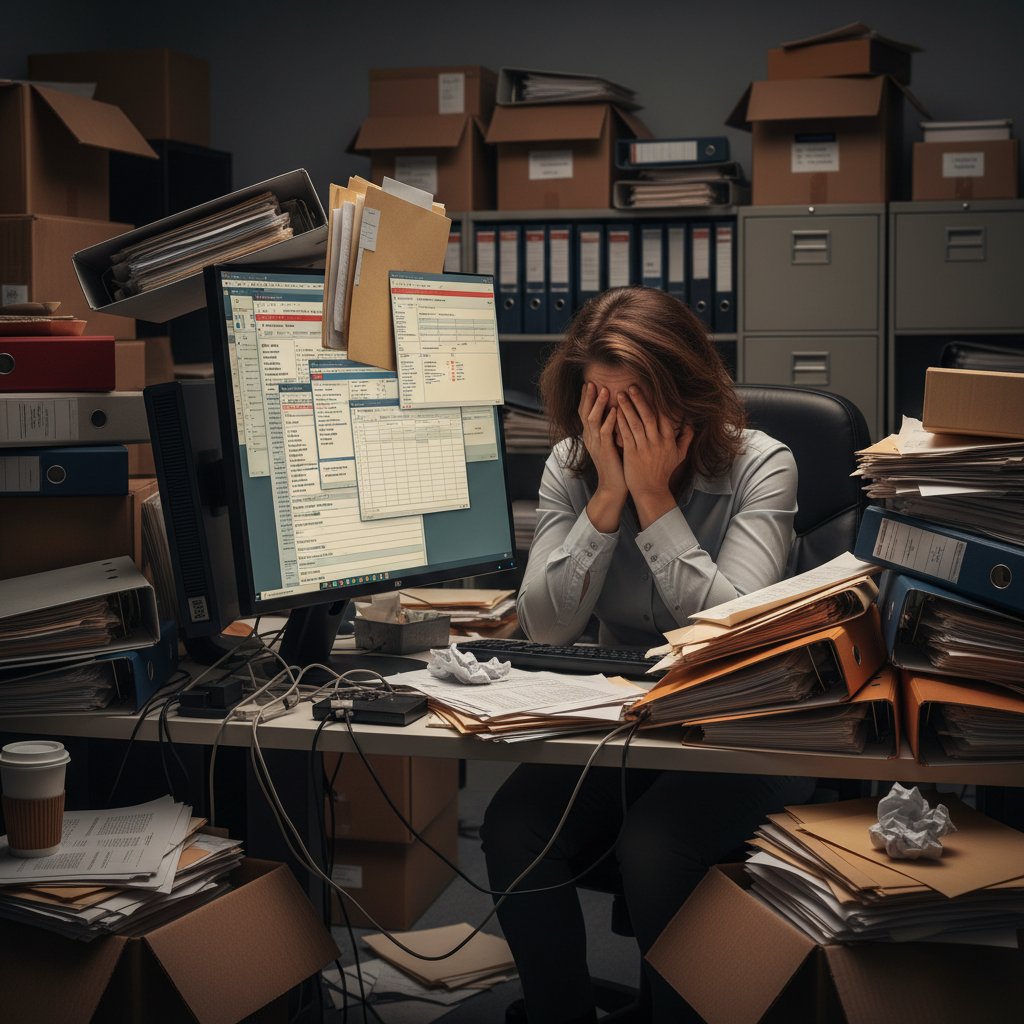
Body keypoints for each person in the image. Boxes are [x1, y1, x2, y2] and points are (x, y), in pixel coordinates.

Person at [481, 286, 815, 1023]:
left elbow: (729, 627)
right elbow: (543, 627)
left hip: (744, 731)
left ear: (683, 395)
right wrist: (606, 497)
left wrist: (655, 501)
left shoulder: (763, 465)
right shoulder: (573, 465)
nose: (614, 425)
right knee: (512, 826)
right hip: (626, 728)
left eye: (633, 405)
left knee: (656, 846)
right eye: (598, 405)